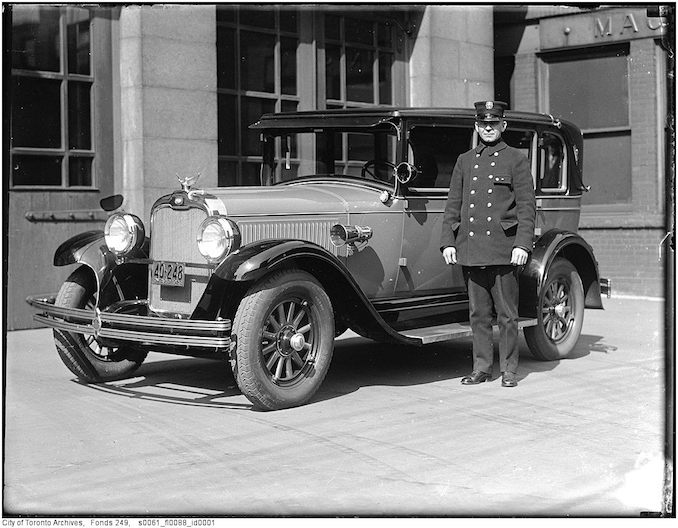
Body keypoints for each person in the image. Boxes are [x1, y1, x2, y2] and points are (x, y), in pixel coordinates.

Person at [440, 101, 536, 387]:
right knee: (478, 314)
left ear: (503, 126)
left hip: (503, 249)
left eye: (493, 124)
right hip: (471, 249)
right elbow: (453, 205)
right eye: (483, 124)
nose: (488, 128)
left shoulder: (516, 159)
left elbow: (527, 207)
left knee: (507, 315)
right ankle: (481, 368)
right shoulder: (465, 160)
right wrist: (448, 242)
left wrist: (522, 244)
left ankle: (508, 370)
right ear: (476, 126)